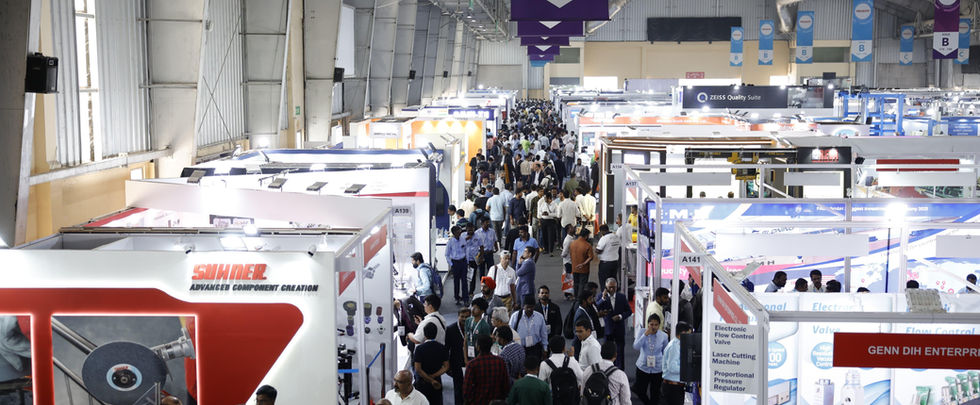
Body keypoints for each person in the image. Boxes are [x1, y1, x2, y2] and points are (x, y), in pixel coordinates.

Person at [633, 314, 668, 405]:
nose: (653, 327)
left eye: (656, 325)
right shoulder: (642, 332)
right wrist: (645, 335)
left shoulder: (663, 336)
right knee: (640, 391)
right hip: (643, 367)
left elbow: (665, 352)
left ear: (659, 325)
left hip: (657, 369)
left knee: (655, 393)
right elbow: (636, 346)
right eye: (651, 324)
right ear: (648, 324)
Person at [597, 278, 632, 368]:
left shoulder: (621, 297)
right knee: (607, 352)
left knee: (620, 352)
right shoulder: (601, 296)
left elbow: (629, 311)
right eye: (610, 287)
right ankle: (607, 369)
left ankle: (620, 370)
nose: (612, 289)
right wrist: (603, 298)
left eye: (614, 287)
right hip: (607, 329)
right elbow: (596, 308)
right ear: (606, 287)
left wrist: (620, 316)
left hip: (619, 329)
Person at [414, 323, 449, 405]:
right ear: (436, 333)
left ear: (424, 334)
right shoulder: (442, 348)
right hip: (437, 381)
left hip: (422, 382)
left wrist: (429, 379)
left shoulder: (419, 349)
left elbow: (418, 369)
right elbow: (446, 367)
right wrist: (433, 377)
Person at [662, 322, 693, 405]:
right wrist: (687, 369)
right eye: (688, 334)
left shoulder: (678, 344)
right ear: (683, 333)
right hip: (673, 388)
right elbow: (672, 367)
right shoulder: (674, 347)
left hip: (675, 387)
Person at [510, 295, 548, 360]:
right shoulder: (515, 316)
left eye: (532, 307)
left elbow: (543, 334)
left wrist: (545, 348)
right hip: (519, 349)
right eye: (527, 307)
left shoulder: (539, 317)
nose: (530, 309)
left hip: (535, 349)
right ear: (523, 306)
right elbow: (510, 332)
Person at [446, 307, 469, 405]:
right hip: (456, 364)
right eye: (462, 316)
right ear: (458, 316)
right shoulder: (450, 329)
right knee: (458, 390)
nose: (464, 319)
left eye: (467, 317)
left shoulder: (473, 327)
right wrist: (447, 365)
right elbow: (446, 348)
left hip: (471, 363)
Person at [472, 219, 500, 294]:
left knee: (491, 270)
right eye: (486, 222)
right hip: (481, 254)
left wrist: (496, 248)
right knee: (481, 271)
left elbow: (495, 240)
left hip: (490, 253)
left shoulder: (492, 231)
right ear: (482, 223)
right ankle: (483, 288)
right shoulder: (477, 233)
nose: (488, 224)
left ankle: (491, 287)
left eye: (488, 222)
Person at [446, 226, 470, 306]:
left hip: (463, 262)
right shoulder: (450, 242)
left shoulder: (463, 239)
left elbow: (466, 250)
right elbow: (447, 254)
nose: (460, 232)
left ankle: (465, 299)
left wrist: (467, 261)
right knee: (456, 282)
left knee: (464, 281)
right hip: (455, 263)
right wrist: (451, 264)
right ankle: (457, 297)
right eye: (458, 231)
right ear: (454, 233)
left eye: (460, 231)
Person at [569, 228, 595, 301]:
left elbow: (570, 254)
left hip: (574, 267)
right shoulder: (587, 245)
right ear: (586, 236)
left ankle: (576, 297)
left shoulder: (572, 244)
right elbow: (591, 257)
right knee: (582, 284)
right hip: (584, 269)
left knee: (576, 283)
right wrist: (583, 264)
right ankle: (580, 299)